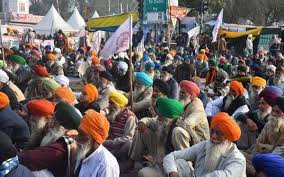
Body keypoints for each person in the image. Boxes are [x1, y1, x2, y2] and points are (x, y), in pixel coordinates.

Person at [163, 112, 246, 177]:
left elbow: (221, 176)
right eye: (212, 131)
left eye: (219, 133)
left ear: (228, 137)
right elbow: (171, 156)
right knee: (179, 162)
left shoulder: (237, 158)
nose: (213, 136)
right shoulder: (204, 145)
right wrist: (172, 173)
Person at [127, 97, 184, 174]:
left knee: (143, 173)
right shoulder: (164, 122)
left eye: (161, 116)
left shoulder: (177, 132)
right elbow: (151, 120)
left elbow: (182, 156)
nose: (159, 119)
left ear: (170, 117)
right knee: (142, 131)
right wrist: (142, 122)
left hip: (170, 167)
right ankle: (132, 160)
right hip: (158, 156)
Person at [75, 109, 120, 177]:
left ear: (95, 138)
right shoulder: (83, 152)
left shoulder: (106, 165)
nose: (76, 138)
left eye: (82, 134)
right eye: (78, 133)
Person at [236, 86, 283, 150]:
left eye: (263, 103)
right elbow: (239, 115)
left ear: (271, 105)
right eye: (259, 103)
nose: (260, 106)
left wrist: (256, 129)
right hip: (258, 146)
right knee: (241, 123)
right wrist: (248, 120)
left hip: (272, 151)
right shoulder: (257, 113)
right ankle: (242, 149)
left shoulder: (274, 119)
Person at [171, 80, 210, 150]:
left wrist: (175, 119)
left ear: (191, 96)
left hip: (199, 141)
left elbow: (186, 124)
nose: (180, 94)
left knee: (178, 131)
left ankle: (185, 159)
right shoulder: (184, 103)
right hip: (189, 137)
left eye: (183, 93)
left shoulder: (198, 108)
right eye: (180, 92)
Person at [104, 90, 137, 159]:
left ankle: (114, 156)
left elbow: (128, 137)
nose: (110, 106)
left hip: (121, 144)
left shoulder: (130, 117)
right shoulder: (113, 113)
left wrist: (111, 142)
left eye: (112, 103)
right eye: (109, 103)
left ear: (120, 105)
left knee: (129, 144)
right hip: (111, 142)